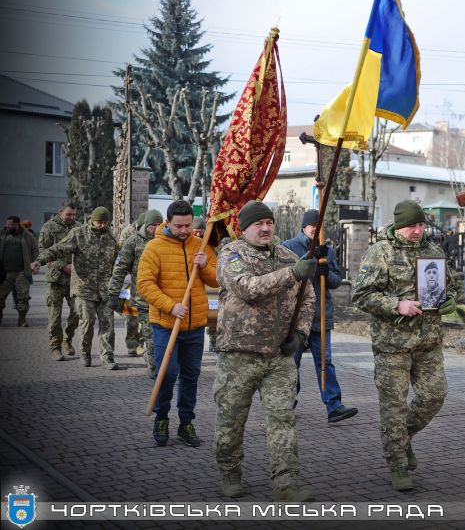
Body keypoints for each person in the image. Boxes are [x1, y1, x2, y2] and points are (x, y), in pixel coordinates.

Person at [213, 200, 317, 501]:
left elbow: (307, 298)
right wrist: (292, 274)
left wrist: (299, 333)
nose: (265, 227)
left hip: (278, 357)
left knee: (282, 418)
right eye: (258, 224)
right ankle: (230, 472)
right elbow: (247, 288)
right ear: (243, 228)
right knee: (232, 419)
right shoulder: (232, 254)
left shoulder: (287, 255)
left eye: (269, 222)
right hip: (240, 355)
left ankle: (286, 483)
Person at [352, 199, 456, 491]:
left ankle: (403, 437)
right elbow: (361, 295)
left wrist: (448, 300)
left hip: (428, 342)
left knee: (434, 396)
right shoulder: (380, 252)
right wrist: (397, 304)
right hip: (392, 345)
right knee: (394, 407)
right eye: (412, 226)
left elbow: (451, 286)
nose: (418, 231)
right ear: (399, 226)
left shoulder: (433, 251)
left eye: (421, 225)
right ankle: (397, 463)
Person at [137, 200, 218, 447]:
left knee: (191, 375)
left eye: (187, 225)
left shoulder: (201, 245)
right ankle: (162, 417)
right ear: (168, 222)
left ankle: (186, 422)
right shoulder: (154, 248)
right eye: (178, 226)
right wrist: (171, 306)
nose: (184, 230)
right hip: (165, 324)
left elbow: (216, 280)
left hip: (194, 326)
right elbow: (144, 284)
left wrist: (205, 266)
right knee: (168, 373)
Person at [282, 209, 358, 423]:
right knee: (290, 364)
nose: (315, 229)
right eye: (312, 225)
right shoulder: (289, 247)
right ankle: (286, 404)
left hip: (320, 315)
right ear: (303, 227)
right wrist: (312, 261)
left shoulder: (328, 251)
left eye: (319, 225)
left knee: (325, 362)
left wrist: (326, 271)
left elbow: (335, 281)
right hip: (296, 318)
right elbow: (289, 277)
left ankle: (334, 405)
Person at [33, 207, 119, 369]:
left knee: (108, 324)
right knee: (87, 323)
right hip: (84, 289)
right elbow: (57, 249)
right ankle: (85, 352)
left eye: (105, 222)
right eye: (99, 222)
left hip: (105, 290)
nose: (102, 225)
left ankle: (107, 357)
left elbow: (119, 261)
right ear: (92, 220)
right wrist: (39, 260)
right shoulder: (79, 234)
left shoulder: (111, 238)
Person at [107, 209, 163, 378]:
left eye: (160, 225)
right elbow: (120, 269)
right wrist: (113, 293)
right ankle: (155, 371)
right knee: (151, 335)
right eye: (154, 225)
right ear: (146, 225)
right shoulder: (133, 242)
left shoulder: (167, 241)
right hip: (144, 299)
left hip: (166, 298)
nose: (157, 228)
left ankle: (156, 361)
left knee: (163, 337)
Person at [38, 202, 81, 359]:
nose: (72, 217)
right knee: (55, 317)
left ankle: (67, 340)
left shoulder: (79, 227)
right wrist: (63, 266)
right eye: (69, 214)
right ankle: (55, 347)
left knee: (77, 312)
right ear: (60, 212)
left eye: (74, 215)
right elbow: (43, 252)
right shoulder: (49, 227)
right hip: (55, 280)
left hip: (74, 281)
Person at [0, 216, 38, 327]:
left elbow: (35, 250)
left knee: (23, 297)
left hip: (22, 272)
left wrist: (35, 263)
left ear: (17, 224)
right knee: (0, 297)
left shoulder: (27, 236)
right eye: (7, 224)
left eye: (10, 224)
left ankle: (22, 319)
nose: (7, 226)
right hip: (3, 273)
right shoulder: (2, 234)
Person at [118, 212, 146, 357]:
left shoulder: (154, 233)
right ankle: (131, 343)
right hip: (130, 279)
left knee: (144, 316)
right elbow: (121, 255)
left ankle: (141, 343)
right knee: (131, 315)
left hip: (146, 281)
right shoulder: (128, 233)